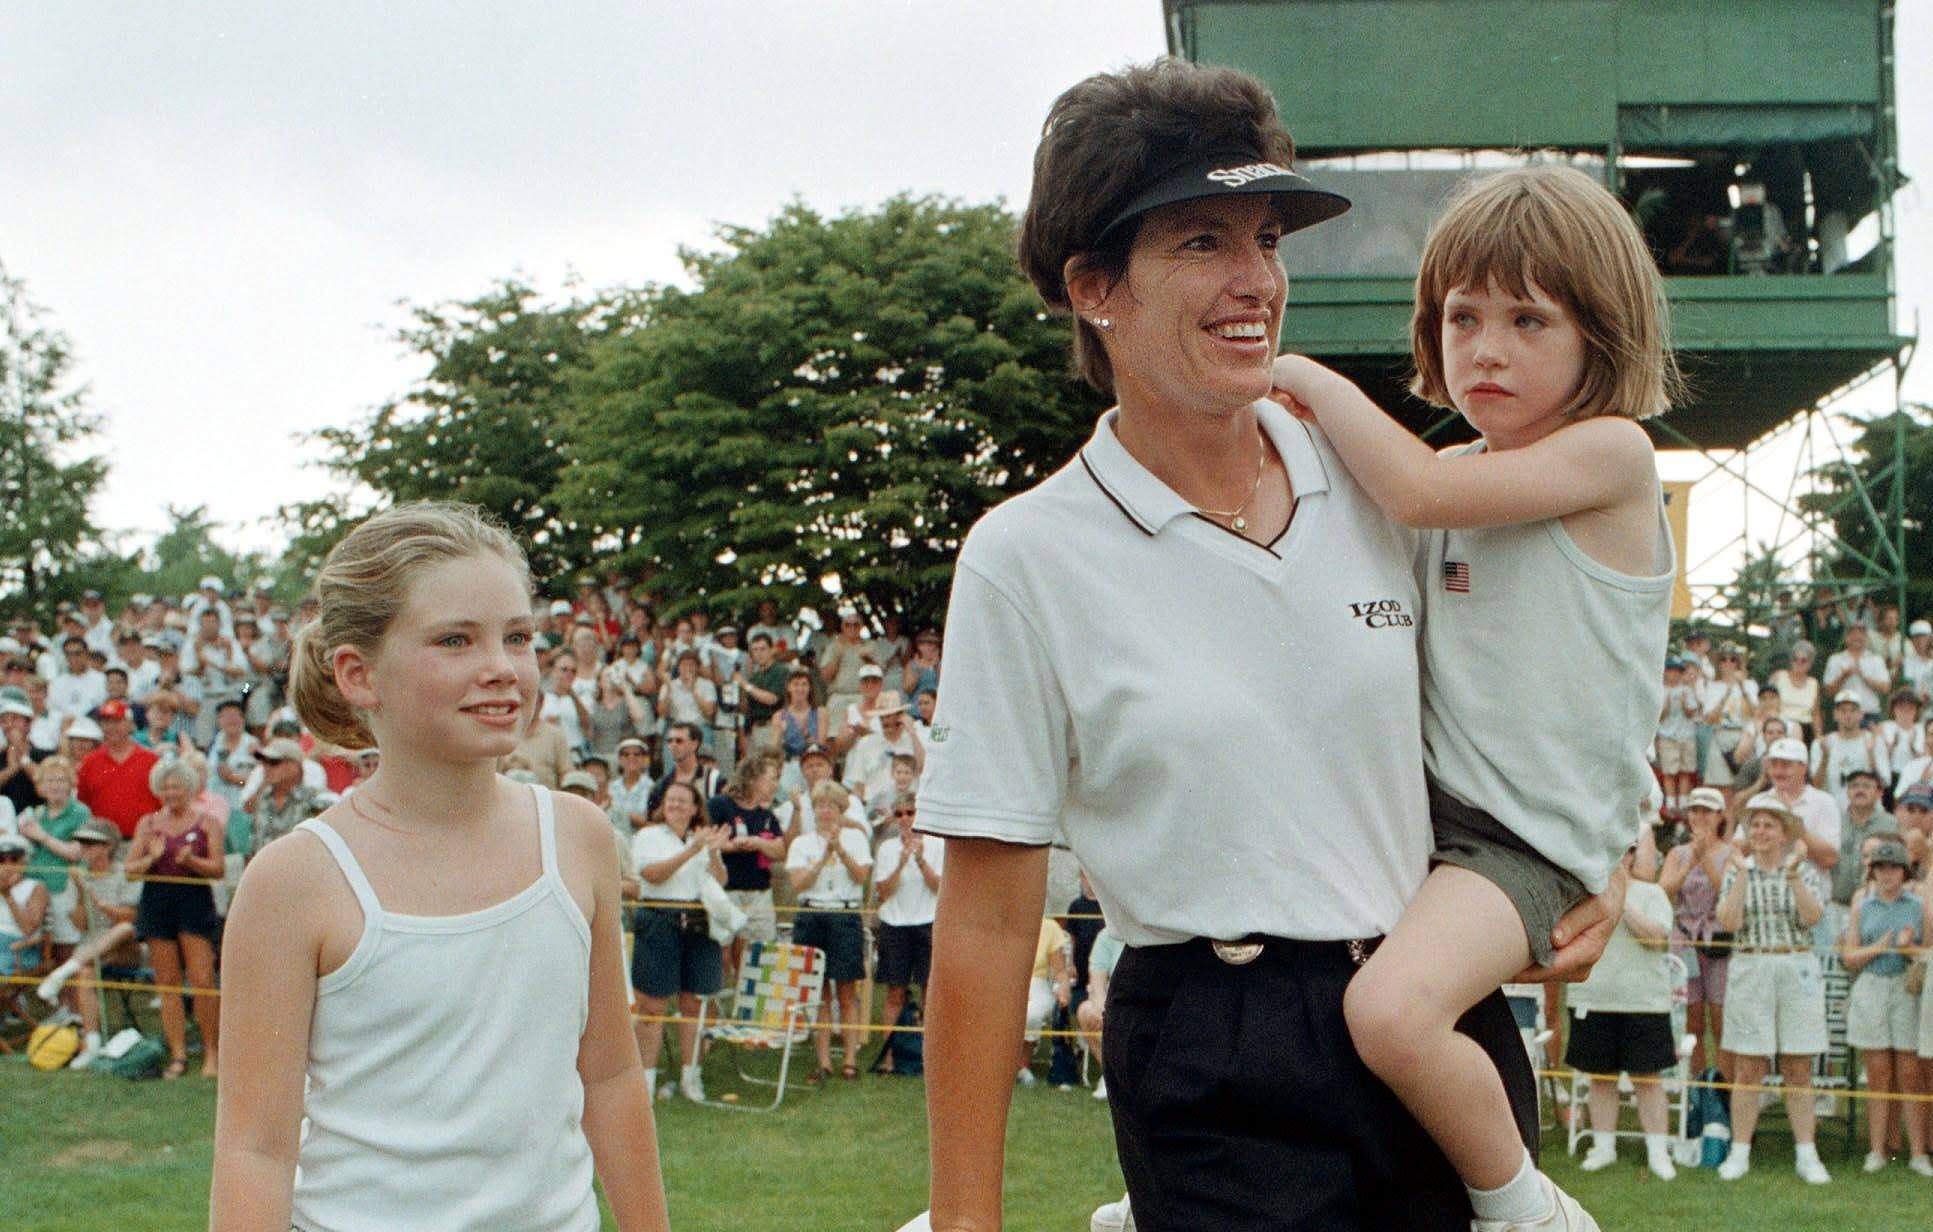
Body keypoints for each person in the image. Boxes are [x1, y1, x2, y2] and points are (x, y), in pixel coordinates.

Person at [912, 59, 1616, 1232]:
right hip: (1212, 1049)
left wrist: (1596, 858)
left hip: (1426, 1021)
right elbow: (985, 926)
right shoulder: (1026, 556)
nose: (1253, 282)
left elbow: (1528, 699)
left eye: (1265, 238)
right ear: (1095, 287)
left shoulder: (1388, 483)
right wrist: (963, 1219)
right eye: (1199, 242)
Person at [1271, 160, 1675, 1228]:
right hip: (1427, 817)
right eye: (1463, 314)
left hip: (1523, 841)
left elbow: (1413, 486)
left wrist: (1306, 381)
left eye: (1529, 319)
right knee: (1272, 966)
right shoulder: (1455, 467)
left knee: (1393, 1012)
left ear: (1603, 336)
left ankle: (1521, 1207)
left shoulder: (1609, 455)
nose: (1486, 346)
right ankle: (1179, 1180)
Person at [209, 502, 667, 1231]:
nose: (500, 668)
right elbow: (255, 1150)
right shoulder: (295, 881)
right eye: (455, 639)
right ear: (359, 675)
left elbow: (610, 1076)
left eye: (518, 637)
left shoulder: (578, 837)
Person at [1713, 793, 1832, 1183]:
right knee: (1749, 1065)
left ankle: (1806, 1154)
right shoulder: (1737, 870)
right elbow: (1729, 923)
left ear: (1784, 833)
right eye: (1755, 825)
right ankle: (1740, 1151)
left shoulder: (1803, 869)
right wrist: (1743, 874)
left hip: (1796, 963)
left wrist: (1795, 875)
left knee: (1798, 1065)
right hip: (1751, 963)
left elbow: (1813, 918)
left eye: (1769, 825)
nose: (1760, 832)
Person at [1567, 840, 1679, 1179]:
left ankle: (1658, 1153)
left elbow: (1657, 937)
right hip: (1593, 998)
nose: (1618, 858)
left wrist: (1621, 902)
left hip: (1643, 1001)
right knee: (1600, 1079)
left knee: (1648, 1079)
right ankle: (1603, 1147)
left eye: (1625, 851)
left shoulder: (1652, 894)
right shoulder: (1581, 893)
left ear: (1631, 856)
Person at [126, 755, 225, 1079]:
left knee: (202, 979)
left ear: (190, 788)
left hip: (193, 899)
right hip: (157, 900)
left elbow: (218, 868)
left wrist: (192, 862)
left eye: (177, 787)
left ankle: (212, 1053)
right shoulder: (148, 823)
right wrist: (152, 858)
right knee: (167, 982)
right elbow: (129, 870)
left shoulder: (207, 822)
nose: (171, 793)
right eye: (166, 788)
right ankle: (179, 1055)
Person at [629, 779, 728, 1103]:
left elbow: (721, 880)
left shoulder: (701, 837)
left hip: (699, 923)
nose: (675, 806)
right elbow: (652, 875)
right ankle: (644, 1082)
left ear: (696, 807)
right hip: (659, 920)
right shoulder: (648, 836)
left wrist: (711, 852)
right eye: (670, 800)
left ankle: (691, 1077)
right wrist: (692, 850)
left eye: (683, 801)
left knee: (693, 1003)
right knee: (653, 1006)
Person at [1840, 837, 1929, 1174]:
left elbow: (1926, 953)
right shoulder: (1863, 906)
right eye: (1881, 867)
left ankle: (1918, 1154)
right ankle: (1877, 1150)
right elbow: (1850, 958)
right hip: (1872, 986)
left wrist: (1908, 948)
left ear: (1904, 872)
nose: (1887, 874)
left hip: (1906, 988)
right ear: (1873, 872)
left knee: (1909, 1072)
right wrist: (1878, 947)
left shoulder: (1918, 906)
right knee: (1877, 1073)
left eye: (1894, 867)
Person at [786, 779, 872, 1082]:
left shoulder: (856, 838)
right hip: (812, 914)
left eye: (831, 806)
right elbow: (797, 884)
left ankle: (849, 1060)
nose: (825, 811)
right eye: (820, 805)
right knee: (818, 993)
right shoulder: (802, 843)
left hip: (844, 914)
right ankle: (823, 1062)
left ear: (840, 809)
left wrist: (841, 851)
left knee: (847, 993)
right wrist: (823, 857)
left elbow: (861, 876)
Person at [1659, 785, 1738, 1075]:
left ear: (1719, 816)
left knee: (1720, 1017)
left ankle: (1722, 1085)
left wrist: (1705, 858)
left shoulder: (1732, 852)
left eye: (1707, 811)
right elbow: (1664, 890)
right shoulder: (1677, 853)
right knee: (1691, 1018)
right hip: (1684, 938)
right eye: (1695, 810)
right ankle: (1695, 1085)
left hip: (1718, 938)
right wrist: (1691, 860)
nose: (1700, 816)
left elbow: (1727, 892)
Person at [873, 791, 942, 1075]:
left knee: (930, 995)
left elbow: (941, 888)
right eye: (899, 814)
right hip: (895, 923)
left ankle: (929, 1060)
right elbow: (883, 892)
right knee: (894, 994)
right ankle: (888, 1058)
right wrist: (901, 863)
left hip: (928, 922)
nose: (905, 819)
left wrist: (921, 860)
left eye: (910, 813)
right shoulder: (887, 848)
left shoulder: (938, 844)